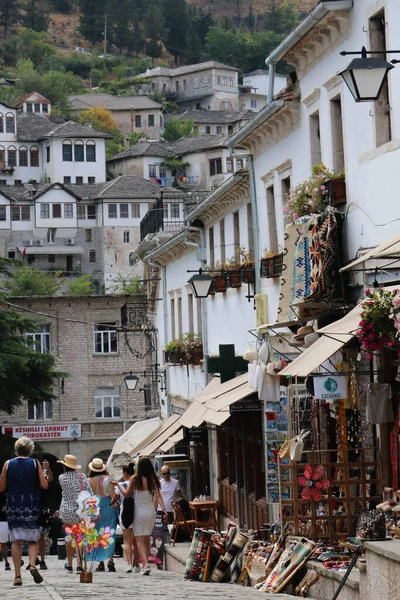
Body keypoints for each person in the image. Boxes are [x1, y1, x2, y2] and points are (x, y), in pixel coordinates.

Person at [0, 436, 48, 587]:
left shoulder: (8, 464)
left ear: (16, 449)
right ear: (30, 450)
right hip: (31, 503)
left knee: (16, 540)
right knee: (32, 539)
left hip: (13, 504)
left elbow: (1, 488)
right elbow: (44, 485)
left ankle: (17, 576)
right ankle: (33, 565)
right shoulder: (35, 463)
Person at [114, 457, 167, 576]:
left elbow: (126, 493)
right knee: (147, 538)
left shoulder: (134, 478)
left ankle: (146, 564)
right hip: (150, 511)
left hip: (138, 511)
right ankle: (144, 564)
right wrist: (164, 509)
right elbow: (158, 496)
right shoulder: (152, 479)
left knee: (139, 539)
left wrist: (118, 484)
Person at [58, 454, 92, 573]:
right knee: (79, 537)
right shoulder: (82, 477)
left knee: (69, 537)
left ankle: (70, 564)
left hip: (66, 510)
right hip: (80, 511)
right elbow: (90, 492)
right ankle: (79, 564)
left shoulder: (61, 478)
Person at [87, 458, 117, 573]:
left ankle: (101, 562)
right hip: (108, 506)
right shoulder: (108, 480)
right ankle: (110, 559)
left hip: (96, 506)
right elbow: (113, 495)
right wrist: (114, 504)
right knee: (110, 533)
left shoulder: (90, 481)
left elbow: (90, 497)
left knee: (98, 534)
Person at [111, 463, 140, 573]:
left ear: (125, 473)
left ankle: (129, 564)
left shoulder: (121, 485)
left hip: (125, 513)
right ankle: (137, 564)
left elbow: (113, 501)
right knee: (136, 540)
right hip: (137, 512)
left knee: (128, 540)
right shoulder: (137, 485)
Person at [0, 492, 10, 570]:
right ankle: (6, 562)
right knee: (3, 543)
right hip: (2, 519)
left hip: (6, 518)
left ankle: (7, 562)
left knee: (3, 543)